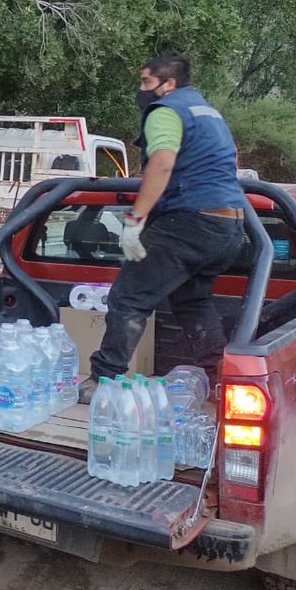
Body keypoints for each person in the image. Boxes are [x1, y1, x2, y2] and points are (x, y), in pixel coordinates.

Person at [80, 51, 246, 401]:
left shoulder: (166, 111)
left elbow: (163, 162)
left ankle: (103, 380)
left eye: (146, 82)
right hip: (229, 226)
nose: (141, 89)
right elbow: (231, 155)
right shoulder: (206, 111)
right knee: (192, 300)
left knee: (128, 297)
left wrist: (135, 218)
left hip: (189, 222)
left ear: (167, 84)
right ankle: (221, 378)